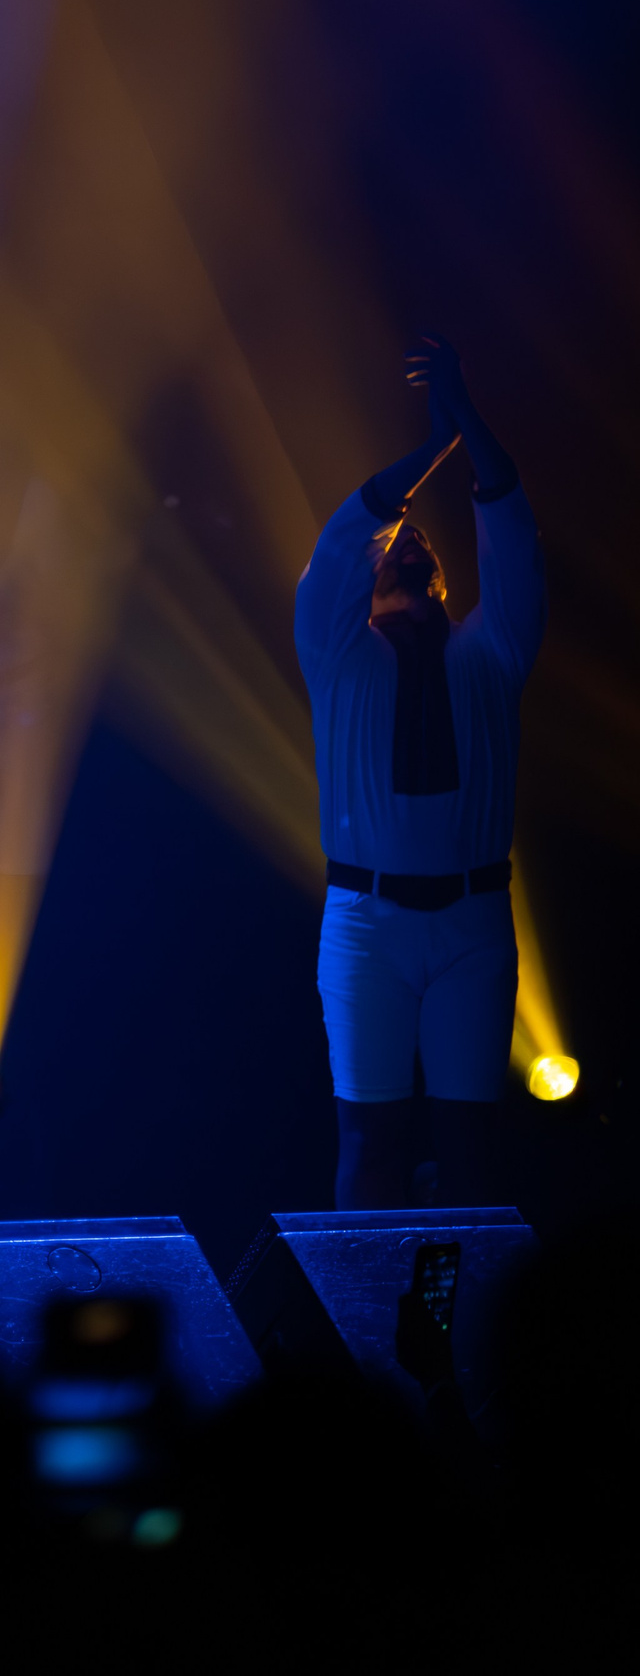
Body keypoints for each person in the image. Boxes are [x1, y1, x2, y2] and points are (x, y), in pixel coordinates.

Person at [293, 336, 542, 1209]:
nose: (404, 546)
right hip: (367, 923)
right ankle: (368, 1306)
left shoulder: (489, 652)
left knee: (472, 1150)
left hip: (473, 920)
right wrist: (436, 444)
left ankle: (471, 1299)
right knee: (369, 1141)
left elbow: (513, 536)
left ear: (440, 574)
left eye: (417, 543)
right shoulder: (340, 655)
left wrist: (465, 418)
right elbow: (338, 548)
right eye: (393, 542)